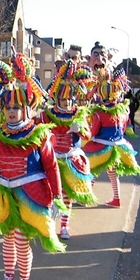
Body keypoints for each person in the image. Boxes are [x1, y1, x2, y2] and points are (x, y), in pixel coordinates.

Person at [0, 53, 67, 280]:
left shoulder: (38, 135)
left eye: (16, 107)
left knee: (22, 241)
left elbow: (51, 167)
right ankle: (7, 276)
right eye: (8, 107)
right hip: (4, 196)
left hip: (29, 197)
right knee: (7, 238)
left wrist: (57, 198)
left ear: (27, 108)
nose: (11, 111)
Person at [39, 60, 98, 240]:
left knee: (67, 196)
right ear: (57, 98)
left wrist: (79, 129)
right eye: (63, 99)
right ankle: (48, 225)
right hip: (51, 160)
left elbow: (88, 135)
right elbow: (38, 132)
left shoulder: (79, 113)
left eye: (69, 99)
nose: (66, 102)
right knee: (48, 194)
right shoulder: (47, 114)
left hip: (71, 160)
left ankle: (64, 226)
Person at [83, 67, 140, 207]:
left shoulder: (99, 113)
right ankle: (116, 198)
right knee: (112, 173)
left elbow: (93, 132)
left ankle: (86, 197)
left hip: (102, 147)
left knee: (93, 171)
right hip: (119, 146)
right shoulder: (122, 112)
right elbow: (124, 129)